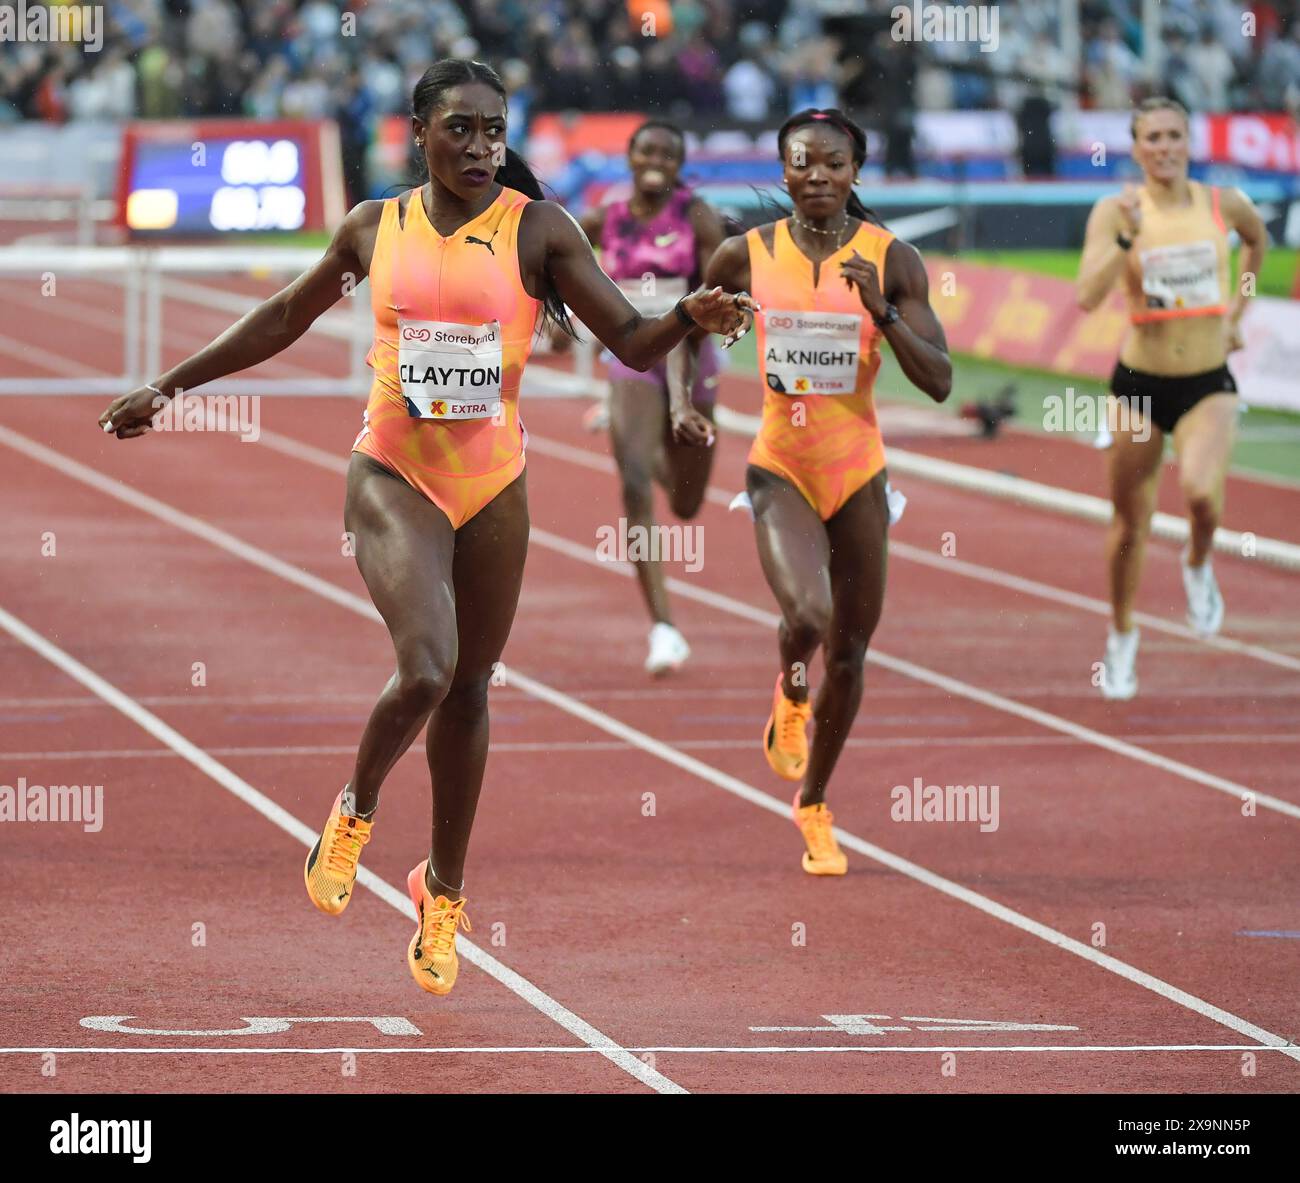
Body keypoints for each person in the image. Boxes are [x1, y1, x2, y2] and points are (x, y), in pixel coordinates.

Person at [98, 58, 754, 994]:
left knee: (472, 689)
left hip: (495, 483)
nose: (483, 147)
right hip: (393, 472)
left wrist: (687, 313)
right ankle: (356, 808)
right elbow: (287, 312)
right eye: (462, 130)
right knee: (428, 666)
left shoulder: (541, 232)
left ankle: (441, 890)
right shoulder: (377, 226)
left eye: (495, 130)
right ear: (421, 133)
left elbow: (631, 342)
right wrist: (170, 383)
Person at [701, 108, 951, 876]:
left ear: (855, 171)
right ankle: (789, 687)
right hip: (780, 462)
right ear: (782, 170)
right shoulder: (743, 254)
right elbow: (689, 327)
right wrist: (689, 399)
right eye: (802, 162)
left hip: (858, 469)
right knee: (809, 614)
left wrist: (881, 312)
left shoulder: (894, 260)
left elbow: (939, 380)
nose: (817, 176)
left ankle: (813, 802)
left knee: (851, 648)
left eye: (833, 164)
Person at [1076, 96, 1266, 700]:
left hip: (1208, 379)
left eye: (1174, 135)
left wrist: (1241, 308)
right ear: (1134, 148)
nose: (1163, 147)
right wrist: (1128, 236)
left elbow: (1257, 244)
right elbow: (1086, 294)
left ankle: (1196, 562)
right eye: (1151, 137)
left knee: (1202, 497)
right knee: (1131, 522)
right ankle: (1123, 634)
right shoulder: (1115, 211)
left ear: (1190, 142)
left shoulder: (1222, 203)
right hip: (1138, 384)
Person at [569, 120, 729, 674]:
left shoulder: (697, 218)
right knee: (634, 481)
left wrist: (681, 397)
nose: (656, 158)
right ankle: (663, 627)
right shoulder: (603, 218)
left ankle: (638, 426)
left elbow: (711, 309)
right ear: (630, 158)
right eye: (646, 150)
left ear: (681, 163)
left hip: (694, 354)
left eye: (668, 151)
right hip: (631, 359)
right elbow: (555, 260)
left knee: (685, 505)